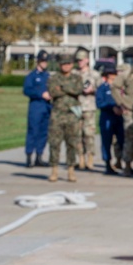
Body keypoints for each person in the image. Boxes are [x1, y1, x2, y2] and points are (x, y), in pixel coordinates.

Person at [46, 54, 83, 183]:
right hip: (57, 114)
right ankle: (54, 170)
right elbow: (53, 92)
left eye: (68, 63)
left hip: (72, 115)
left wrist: (63, 87)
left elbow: (78, 90)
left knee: (72, 143)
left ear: (72, 65)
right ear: (59, 65)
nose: (66, 66)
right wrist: (68, 89)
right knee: (54, 143)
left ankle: (71, 171)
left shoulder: (77, 78)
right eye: (63, 64)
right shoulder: (53, 78)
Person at [22, 49, 52, 167]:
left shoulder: (48, 76)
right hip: (36, 105)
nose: (44, 63)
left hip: (47, 106)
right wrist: (40, 94)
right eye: (42, 60)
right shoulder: (32, 76)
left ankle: (39, 156)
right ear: (38, 61)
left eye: (46, 61)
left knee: (44, 132)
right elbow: (27, 90)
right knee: (33, 131)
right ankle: (29, 156)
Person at [74, 49, 101, 171]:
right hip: (76, 107)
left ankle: (90, 158)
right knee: (77, 134)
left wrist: (92, 90)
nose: (80, 62)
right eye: (78, 60)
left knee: (89, 134)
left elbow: (101, 90)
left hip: (89, 107)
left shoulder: (94, 74)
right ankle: (80, 158)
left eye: (82, 60)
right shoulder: (74, 74)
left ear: (87, 60)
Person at [95, 65, 124, 175]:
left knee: (122, 140)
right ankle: (107, 164)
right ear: (106, 78)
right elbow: (99, 103)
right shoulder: (102, 88)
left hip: (119, 118)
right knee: (106, 142)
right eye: (111, 78)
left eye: (115, 78)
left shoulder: (120, 88)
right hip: (107, 117)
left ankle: (122, 162)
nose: (113, 80)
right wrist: (112, 107)